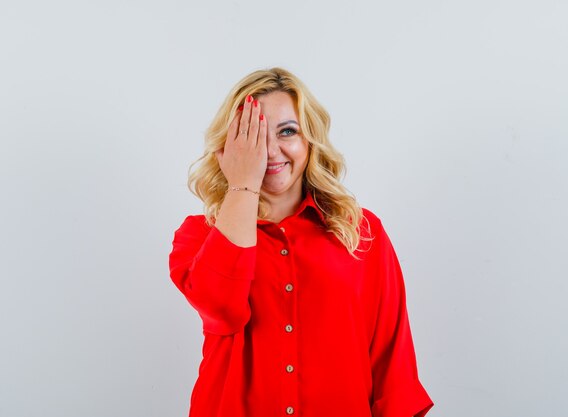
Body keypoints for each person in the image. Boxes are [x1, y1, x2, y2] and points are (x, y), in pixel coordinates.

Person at [168, 67, 433, 417]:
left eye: (287, 132)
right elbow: (223, 310)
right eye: (253, 136)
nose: (271, 151)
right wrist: (243, 185)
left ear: (310, 140)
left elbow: (391, 360)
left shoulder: (361, 231)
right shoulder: (199, 235)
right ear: (230, 148)